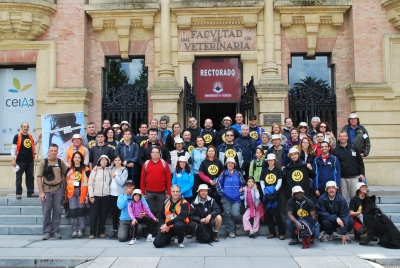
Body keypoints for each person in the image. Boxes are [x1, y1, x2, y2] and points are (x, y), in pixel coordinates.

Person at [37, 144, 67, 240]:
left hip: (58, 189)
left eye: (55, 151)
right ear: (48, 151)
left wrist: (64, 189)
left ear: (57, 152)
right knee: (46, 211)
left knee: (58, 211)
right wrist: (41, 192)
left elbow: (63, 175)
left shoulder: (60, 162)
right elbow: (39, 177)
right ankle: (47, 232)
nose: (53, 152)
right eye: (52, 150)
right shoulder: (43, 162)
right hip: (46, 189)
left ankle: (55, 231)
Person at [140, 147, 172, 222]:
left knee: (160, 212)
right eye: (153, 152)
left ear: (159, 154)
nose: (155, 154)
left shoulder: (164, 163)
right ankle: (151, 230)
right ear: (150, 154)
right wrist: (143, 192)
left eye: (157, 152)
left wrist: (169, 192)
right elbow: (142, 179)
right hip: (149, 192)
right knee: (150, 211)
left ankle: (159, 228)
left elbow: (168, 178)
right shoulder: (146, 164)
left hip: (161, 192)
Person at [216, 157, 245, 238]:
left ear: (234, 164)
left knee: (235, 213)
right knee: (228, 214)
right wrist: (223, 193)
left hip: (236, 198)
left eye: (232, 163)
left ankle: (238, 220)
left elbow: (243, 184)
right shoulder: (223, 174)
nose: (230, 164)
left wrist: (241, 190)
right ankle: (231, 231)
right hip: (226, 198)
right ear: (226, 164)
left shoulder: (238, 174)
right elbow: (218, 184)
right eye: (229, 163)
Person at [332, 131, 365, 202]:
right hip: (342, 178)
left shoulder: (354, 148)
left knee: (355, 197)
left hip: (354, 177)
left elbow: (360, 162)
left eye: (344, 136)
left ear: (347, 137)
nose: (342, 137)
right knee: (343, 199)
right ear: (339, 138)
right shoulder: (335, 151)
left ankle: (355, 213)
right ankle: (345, 213)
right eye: (341, 136)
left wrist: (362, 173)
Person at [11, 122, 41, 198]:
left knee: (30, 177)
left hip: (30, 160)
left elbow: (33, 144)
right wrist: (13, 159)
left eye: (27, 126)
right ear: (21, 127)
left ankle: (30, 192)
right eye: (24, 126)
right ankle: (18, 193)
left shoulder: (30, 136)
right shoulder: (17, 136)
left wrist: (38, 138)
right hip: (20, 160)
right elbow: (13, 148)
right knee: (19, 177)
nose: (26, 128)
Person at [260, 154, 285, 240]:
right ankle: (272, 232)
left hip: (276, 194)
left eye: (272, 160)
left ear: (274, 161)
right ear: (267, 161)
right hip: (267, 195)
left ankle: (281, 233)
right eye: (269, 160)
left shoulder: (278, 170)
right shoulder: (264, 171)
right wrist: (265, 191)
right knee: (269, 214)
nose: (270, 162)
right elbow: (262, 182)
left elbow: (279, 182)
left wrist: (274, 191)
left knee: (277, 214)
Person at [66, 151, 90, 238]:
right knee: (73, 211)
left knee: (81, 211)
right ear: (73, 159)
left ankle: (80, 229)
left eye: (78, 157)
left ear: (81, 159)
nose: (77, 159)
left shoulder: (86, 169)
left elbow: (89, 182)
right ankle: (74, 230)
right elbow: (65, 181)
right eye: (75, 157)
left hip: (82, 192)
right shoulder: (69, 168)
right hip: (71, 192)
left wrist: (87, 194)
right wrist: (66, 176)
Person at [88, 155, 112, 239]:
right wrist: (91, 196)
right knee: (94, 215)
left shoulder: (109, 170)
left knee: (103, 215)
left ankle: (101, 231)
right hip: (95, 196)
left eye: (106, 160)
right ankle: (92, 232)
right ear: (99, 161)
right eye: (102, 160)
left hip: (106, 196)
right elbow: (90, 184)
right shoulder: (95, 170)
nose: (104, 161)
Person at [108, 155, 128, 238]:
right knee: (114, 213)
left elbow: (122, 182)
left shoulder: (124, 170)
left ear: (121, 161)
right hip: (112, 194)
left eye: (119, 160)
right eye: (115, 160)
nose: (117, 161)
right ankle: (114, 229)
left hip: (120, 195)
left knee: (120, 212)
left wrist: (115, 176)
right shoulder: (111, 169)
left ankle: (121, 229)